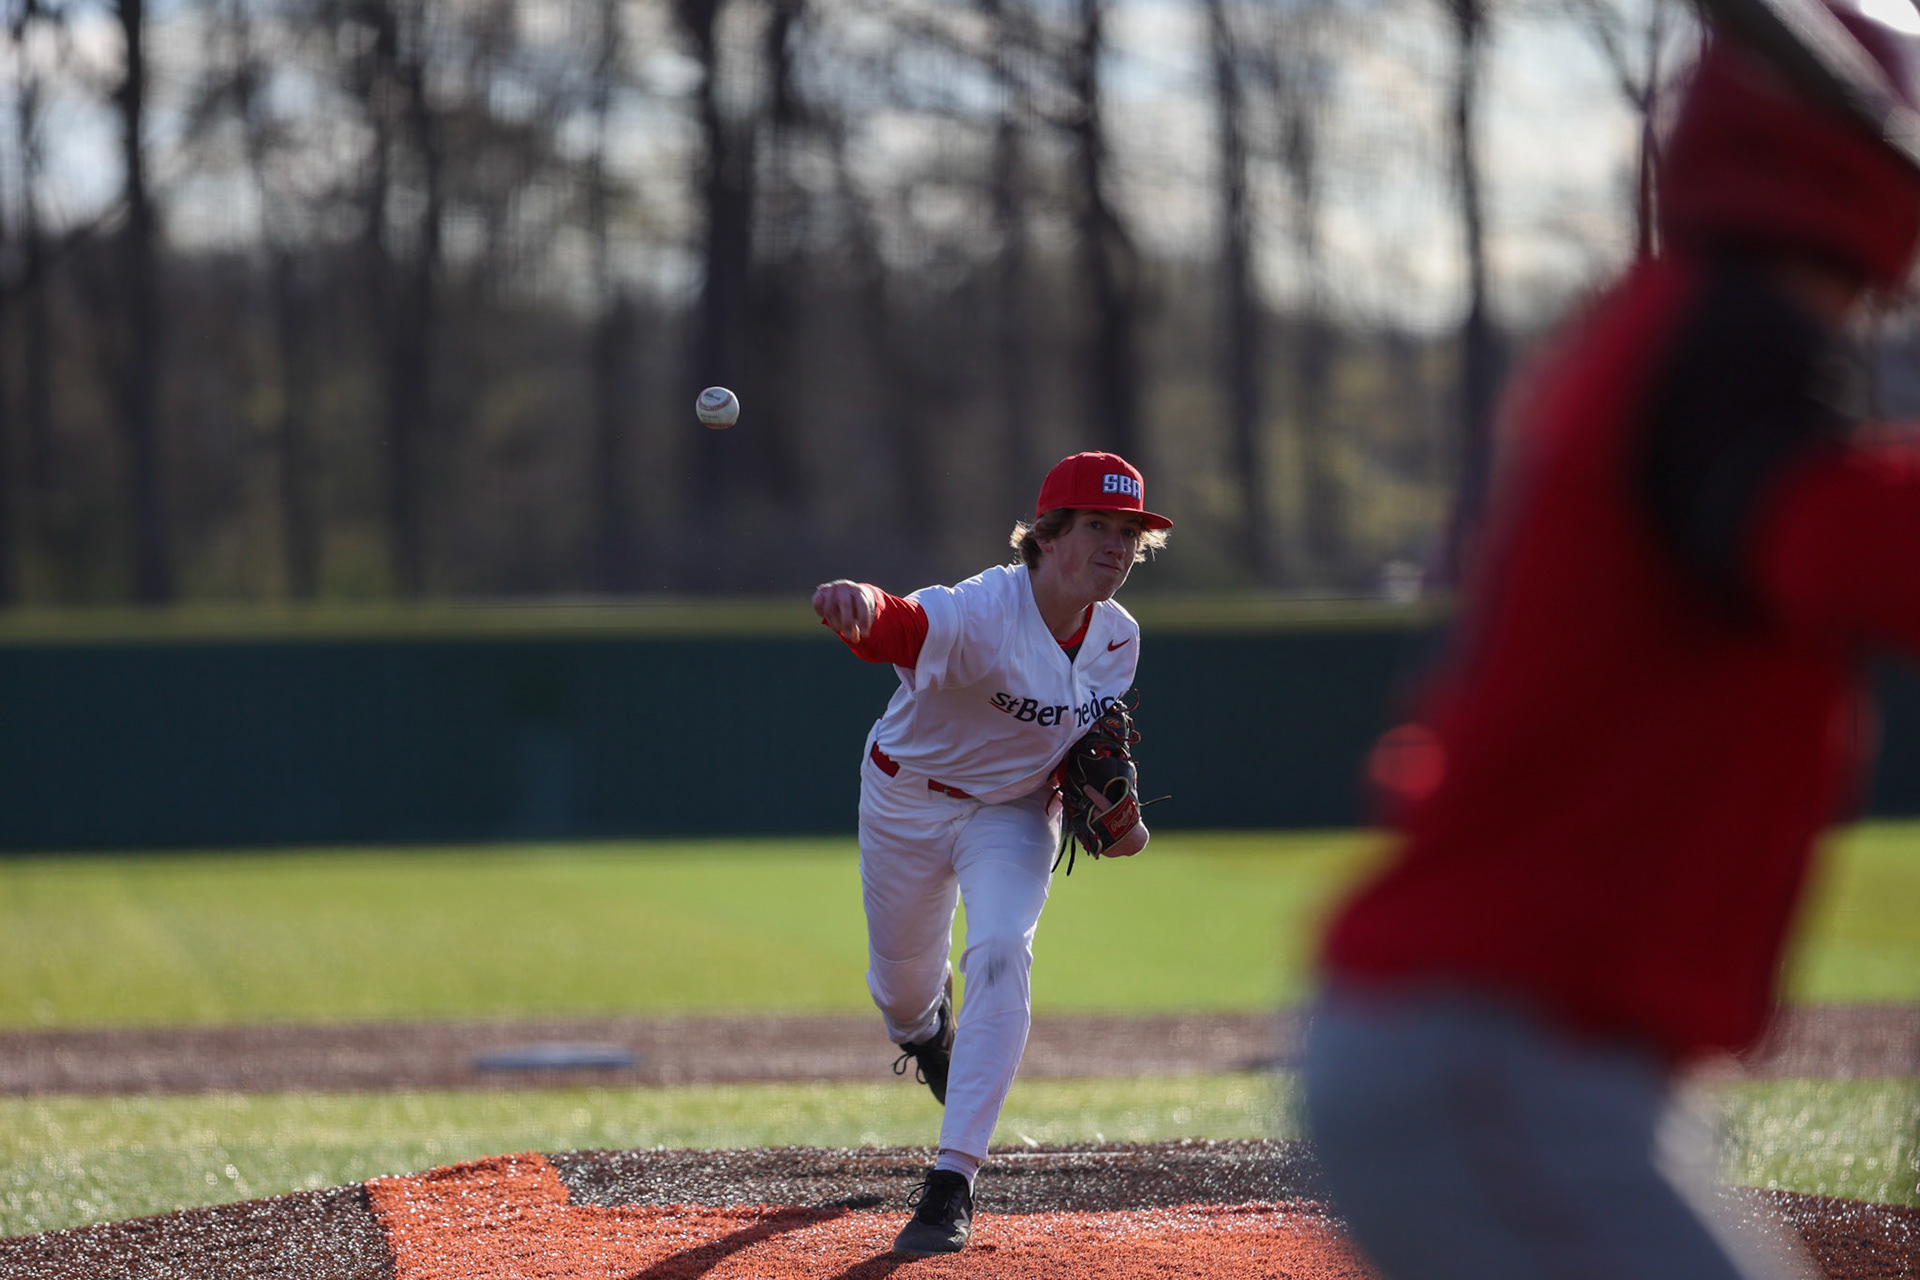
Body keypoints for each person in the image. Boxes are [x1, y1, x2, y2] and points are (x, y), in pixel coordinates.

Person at [1302, 5, 1920, 1279]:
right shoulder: (1732, 335)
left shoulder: (1688, 328)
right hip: (1500, 1043)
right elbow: (1849, 553)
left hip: (1514, 1051)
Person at [811, 451, 1171, 1256]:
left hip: (1013, 811)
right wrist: (860, 603)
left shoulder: (1119, 639)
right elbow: (905, 624)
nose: (1117, 546)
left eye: (1129, 533)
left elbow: (1092, 758)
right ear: (1047, 536)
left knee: (1003, 948)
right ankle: (927, 1035)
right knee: (902, 994)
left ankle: (952, 1181)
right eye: (1097, 526)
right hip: (907, 798)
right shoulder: (986, 608)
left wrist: (1119, 816)